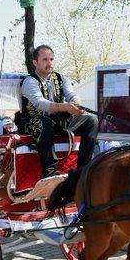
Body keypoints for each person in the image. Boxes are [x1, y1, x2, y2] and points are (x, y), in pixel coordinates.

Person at [20, 45, 98, 177]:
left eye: (51, 59)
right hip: (33, 122)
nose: (49, 63)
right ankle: (50, 172)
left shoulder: (62, 78)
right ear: (35, 62)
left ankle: (83, 170)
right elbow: (40, 103)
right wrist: (66, 107)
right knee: (45, 123)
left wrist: (76, 104)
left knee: (92, 120)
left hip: (58, 121)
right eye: (45, 59)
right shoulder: (29, 81)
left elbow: (72, 95)